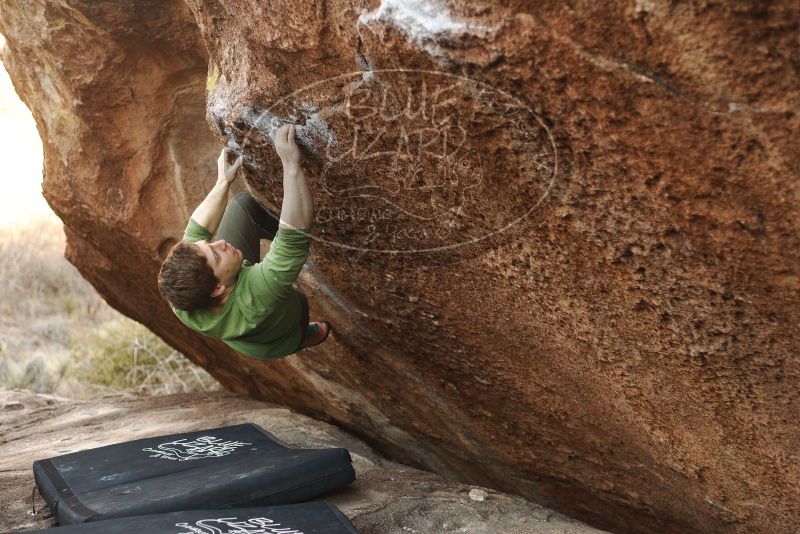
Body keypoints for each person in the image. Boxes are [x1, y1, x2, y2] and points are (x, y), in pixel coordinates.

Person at [157, 124, 332, 359]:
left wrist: (222, 183)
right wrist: (291, 165)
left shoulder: (182, 297)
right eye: (216, 255)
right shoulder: (254, 297)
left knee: (243, 207)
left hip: (245, 316)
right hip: (279, 333)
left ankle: (305, 229)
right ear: (217, 288)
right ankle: (300, 339)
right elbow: (292, 241)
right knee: (295, 302)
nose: (220, 243)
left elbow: (196, 230)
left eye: (208, 245)